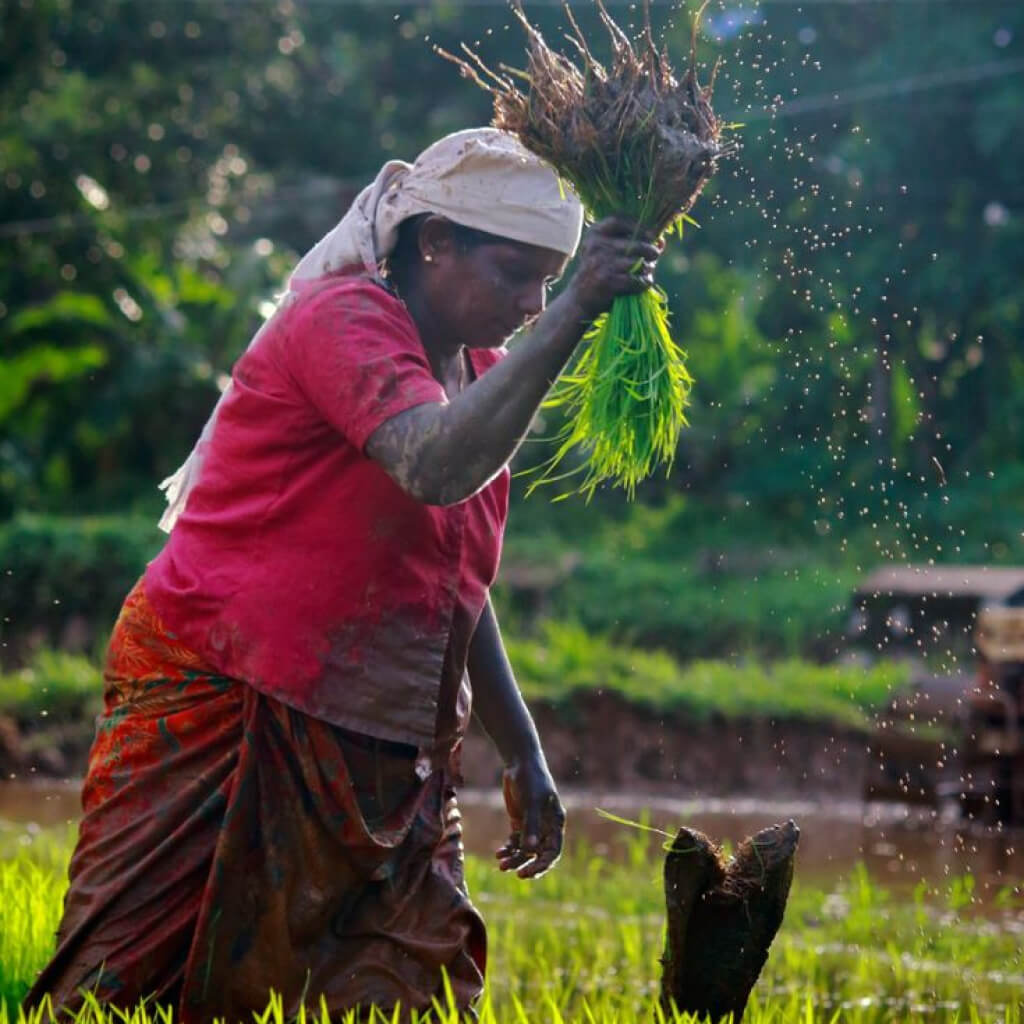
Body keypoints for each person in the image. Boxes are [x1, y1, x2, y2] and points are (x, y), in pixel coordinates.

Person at [25, 128, 662, 1022]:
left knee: (414, 986)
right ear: (434, 243)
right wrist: (579, 308)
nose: (532, 301)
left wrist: (521, 749)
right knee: (134, 981)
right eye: (517, 273)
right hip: (230, 687)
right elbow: (434, 468)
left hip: (387, 738)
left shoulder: (475, 368)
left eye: (550, 280)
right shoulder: (342, 321)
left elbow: (454, 583)